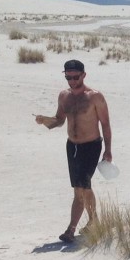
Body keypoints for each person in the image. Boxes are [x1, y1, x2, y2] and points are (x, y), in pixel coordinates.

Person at [34, 59, 113, 243]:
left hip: (91, 146)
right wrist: (44, 120)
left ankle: (70, 230)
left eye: (75, 77)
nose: (72, 81)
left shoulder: (95, 97)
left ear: (83, 75)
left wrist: (108, 150)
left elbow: (105, 124)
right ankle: (94, 221)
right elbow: (59, 120)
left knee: (80, 188)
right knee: (84, 187)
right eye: (68, 77)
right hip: (72, 147)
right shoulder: (64, 96)